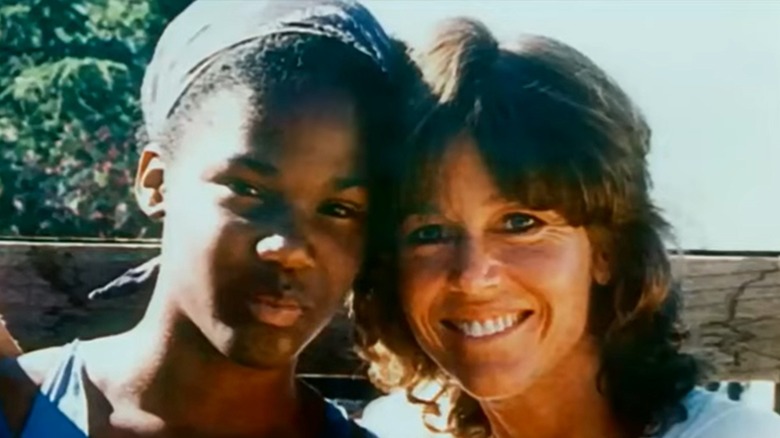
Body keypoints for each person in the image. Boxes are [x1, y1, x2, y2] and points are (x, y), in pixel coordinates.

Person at [353, 17, 780, 438]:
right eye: (430, 233)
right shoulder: (394, 430)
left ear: (607, 250)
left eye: (520, 223)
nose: (472, 277)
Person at [0, 1, 408, 436]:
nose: (288, 248)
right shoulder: (16, 408)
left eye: (339, 209)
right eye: (248, 190)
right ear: (156, 182)